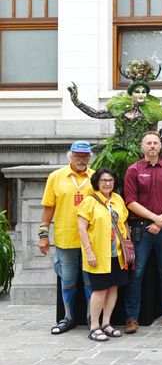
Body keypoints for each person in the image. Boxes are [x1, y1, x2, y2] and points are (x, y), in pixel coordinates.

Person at [68, 60, 162, 179]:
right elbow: (96, 114)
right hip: (119, 147)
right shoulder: (121, 109)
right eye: (137, 92)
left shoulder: (152, 113)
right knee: (114, 161)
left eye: (144, 92)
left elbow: (153, 135)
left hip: (141, 150)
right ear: (131, 94)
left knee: (135, 162)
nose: (141, 94)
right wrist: (77, 102)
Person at [123, 131, 162, 333]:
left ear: (160, 146)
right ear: (142, 146)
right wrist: (154, 218)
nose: (152, 146)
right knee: (136, 273)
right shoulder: (133, 170)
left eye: (156, 142)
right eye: (148, 142)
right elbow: (130, 202)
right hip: (141, 229)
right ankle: (131, 317)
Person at [39, 140, 95, 335]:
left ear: (90, 156)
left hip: (91, 239)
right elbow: (48, 208)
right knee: (68, 280)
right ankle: (69, 317)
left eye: (85, 155)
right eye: (78, 155)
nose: (81, 159)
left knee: (91, 281)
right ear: (70, 155)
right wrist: (43, 235)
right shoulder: (56, 177)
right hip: (65, 237)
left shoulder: (95, 177)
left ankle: (91, 318)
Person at [77, 168, 130, 341]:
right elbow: (82, 228)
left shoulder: (117, 199)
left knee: (113, 287)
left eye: (110, 180)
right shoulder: (89, 202)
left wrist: (128, 242)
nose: (107, 183)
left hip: (117, 253)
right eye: (104, 180)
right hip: (98, 253)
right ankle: (94, 326)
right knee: (100, 290)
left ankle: (107, 323)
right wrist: (88, 251)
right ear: (97, 183)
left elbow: (124, 222)